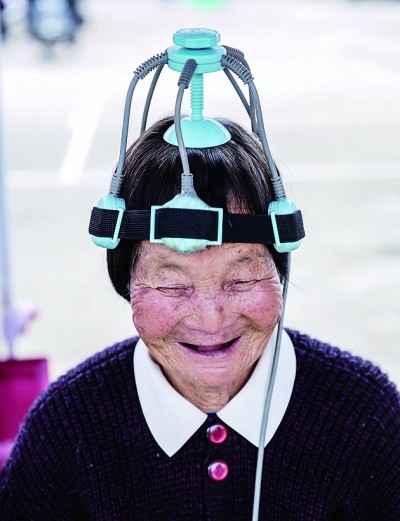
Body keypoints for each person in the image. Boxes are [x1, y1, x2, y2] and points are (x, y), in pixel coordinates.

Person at [0, 115, 399, 520]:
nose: (210, 321)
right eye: (173, 285)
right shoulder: (65, 428)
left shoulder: (368, 416)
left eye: (241, 279)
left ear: (280, 271)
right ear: (127, 281)